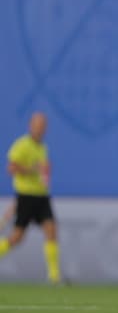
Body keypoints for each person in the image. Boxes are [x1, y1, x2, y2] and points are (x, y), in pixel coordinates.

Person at [0, 112, 62, 285]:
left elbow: (42, 172)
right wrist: (32, 170)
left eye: (43, 125)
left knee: (51, 230)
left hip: (41, 196)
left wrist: (44, 174)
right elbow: (11, 168)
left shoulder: (43, 147)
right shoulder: (22, 145)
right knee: (17, 237)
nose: (41, 128)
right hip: (26, 195)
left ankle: (54, 276)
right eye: (38, 124)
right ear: (30, 126)